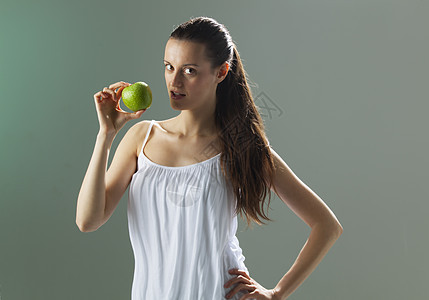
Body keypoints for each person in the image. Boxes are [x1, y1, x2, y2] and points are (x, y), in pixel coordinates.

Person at [76, 16, 343, 300]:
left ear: (221, 71)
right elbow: (88, 221)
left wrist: (276, 293)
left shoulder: (242, 146)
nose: (174, 81)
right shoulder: (142, 138)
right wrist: (105, 135)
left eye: (189, 70)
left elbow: (327, 226)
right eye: (169, 67)